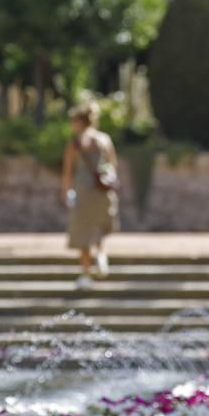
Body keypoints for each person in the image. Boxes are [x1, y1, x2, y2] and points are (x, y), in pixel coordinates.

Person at [60, 101, 119, 289]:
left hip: (84, 190)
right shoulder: (105, 139)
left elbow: (68, 170)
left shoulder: (78, 141)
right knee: (99, 226)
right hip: (103, 190)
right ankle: (101, 256)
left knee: (83, 231)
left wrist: (66, 191)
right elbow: (113, 165)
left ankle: (86, 273)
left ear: (80, 121)